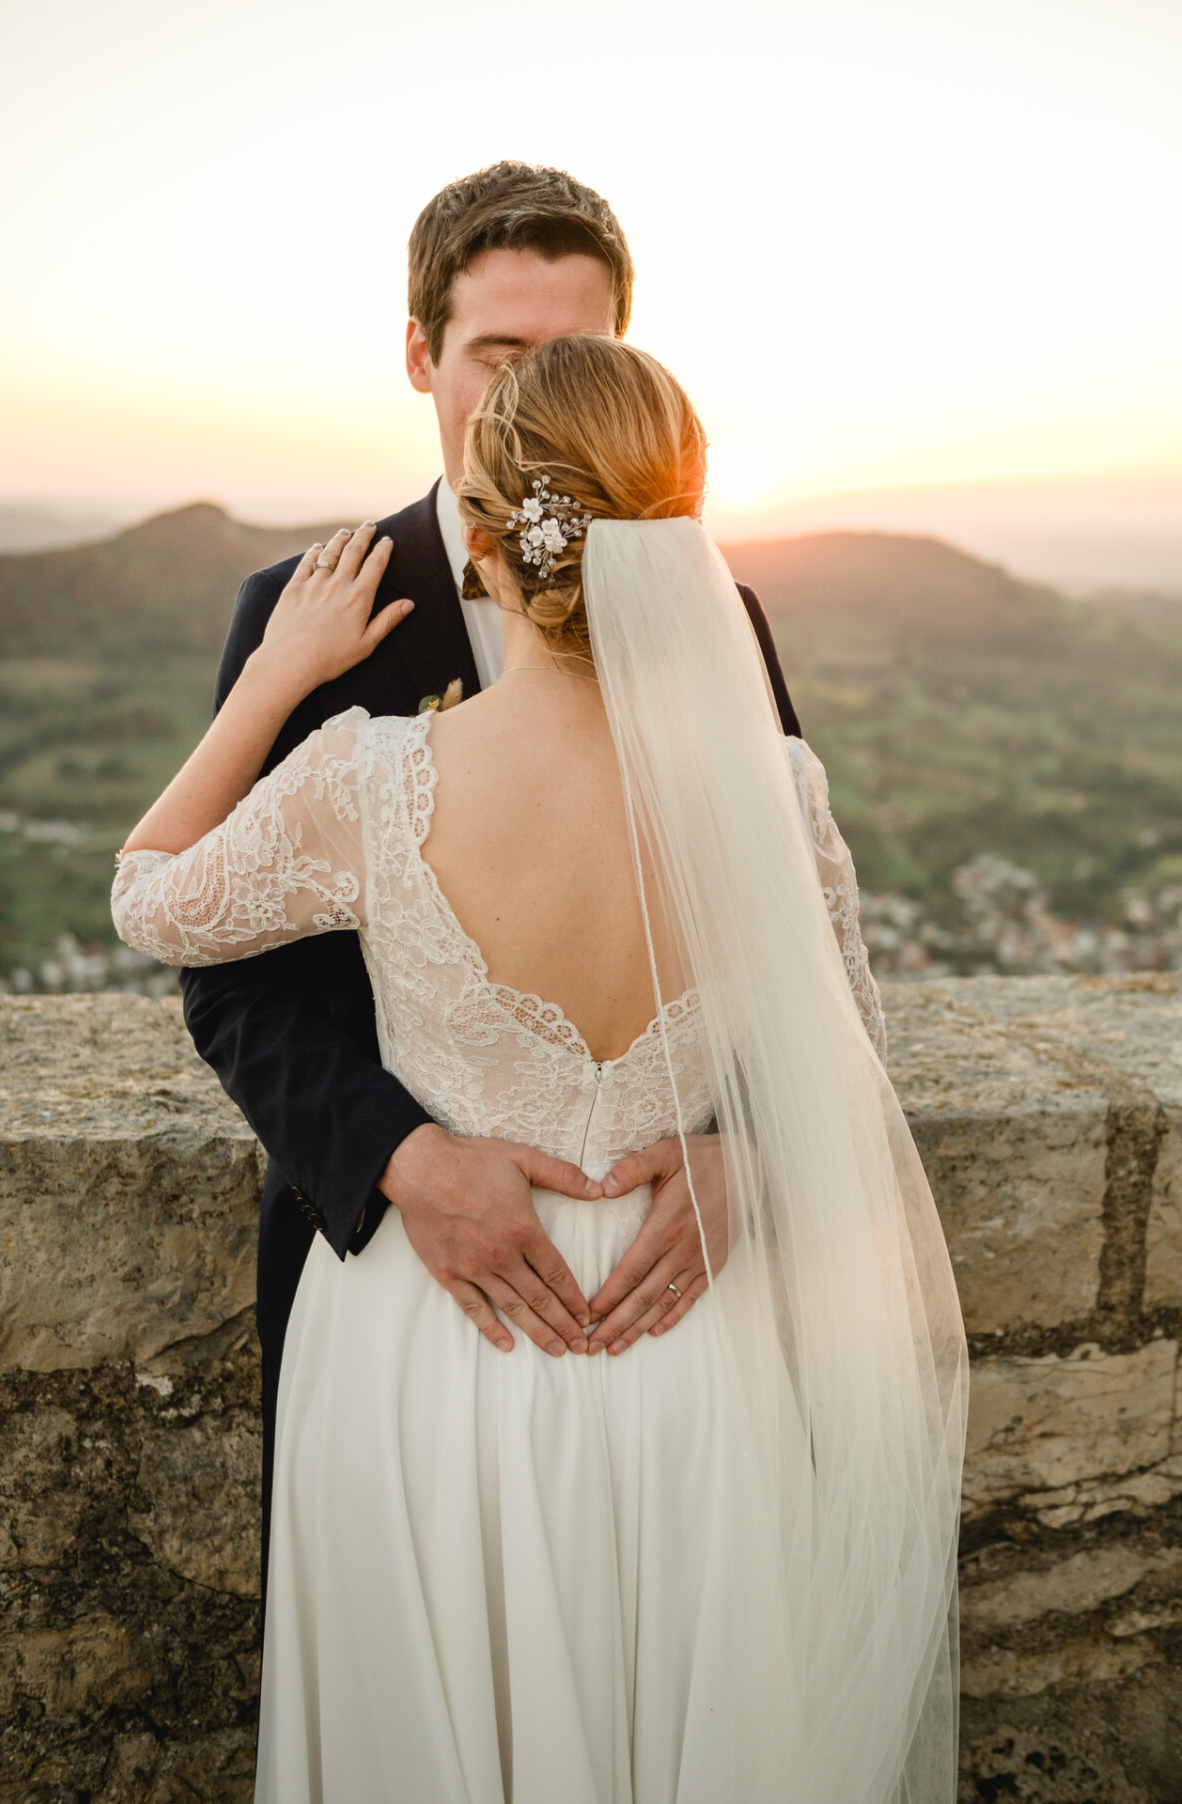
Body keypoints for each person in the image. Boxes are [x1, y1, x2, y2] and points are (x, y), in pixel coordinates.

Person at [114, 335, 966, 1802]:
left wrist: (270, 682)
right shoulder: (778, 789)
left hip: (430, 1345)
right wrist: (740, 1152)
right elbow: (843, 1044)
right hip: (687, 1334)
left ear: (489, 546)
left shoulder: (371, 780)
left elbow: (151, 896)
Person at [177, 163, 804, 1583]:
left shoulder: (722, 613)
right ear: (420, 355)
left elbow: (778, 928)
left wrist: (751, 1151)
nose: (526, 390)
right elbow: (234, 977)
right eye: (496, 354)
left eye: (572, 355)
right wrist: (399, 1158)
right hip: (404, 1286)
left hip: (675, 1303)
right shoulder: (301, 612)